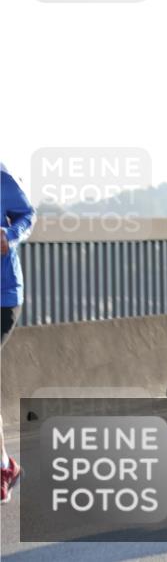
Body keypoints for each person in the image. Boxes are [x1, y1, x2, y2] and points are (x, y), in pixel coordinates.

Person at [1, 163, 35, 505]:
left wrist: (9, 236)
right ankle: (5, 466)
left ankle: (4, 467)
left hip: (4, 296)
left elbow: (28, 215)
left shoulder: (2, 177)